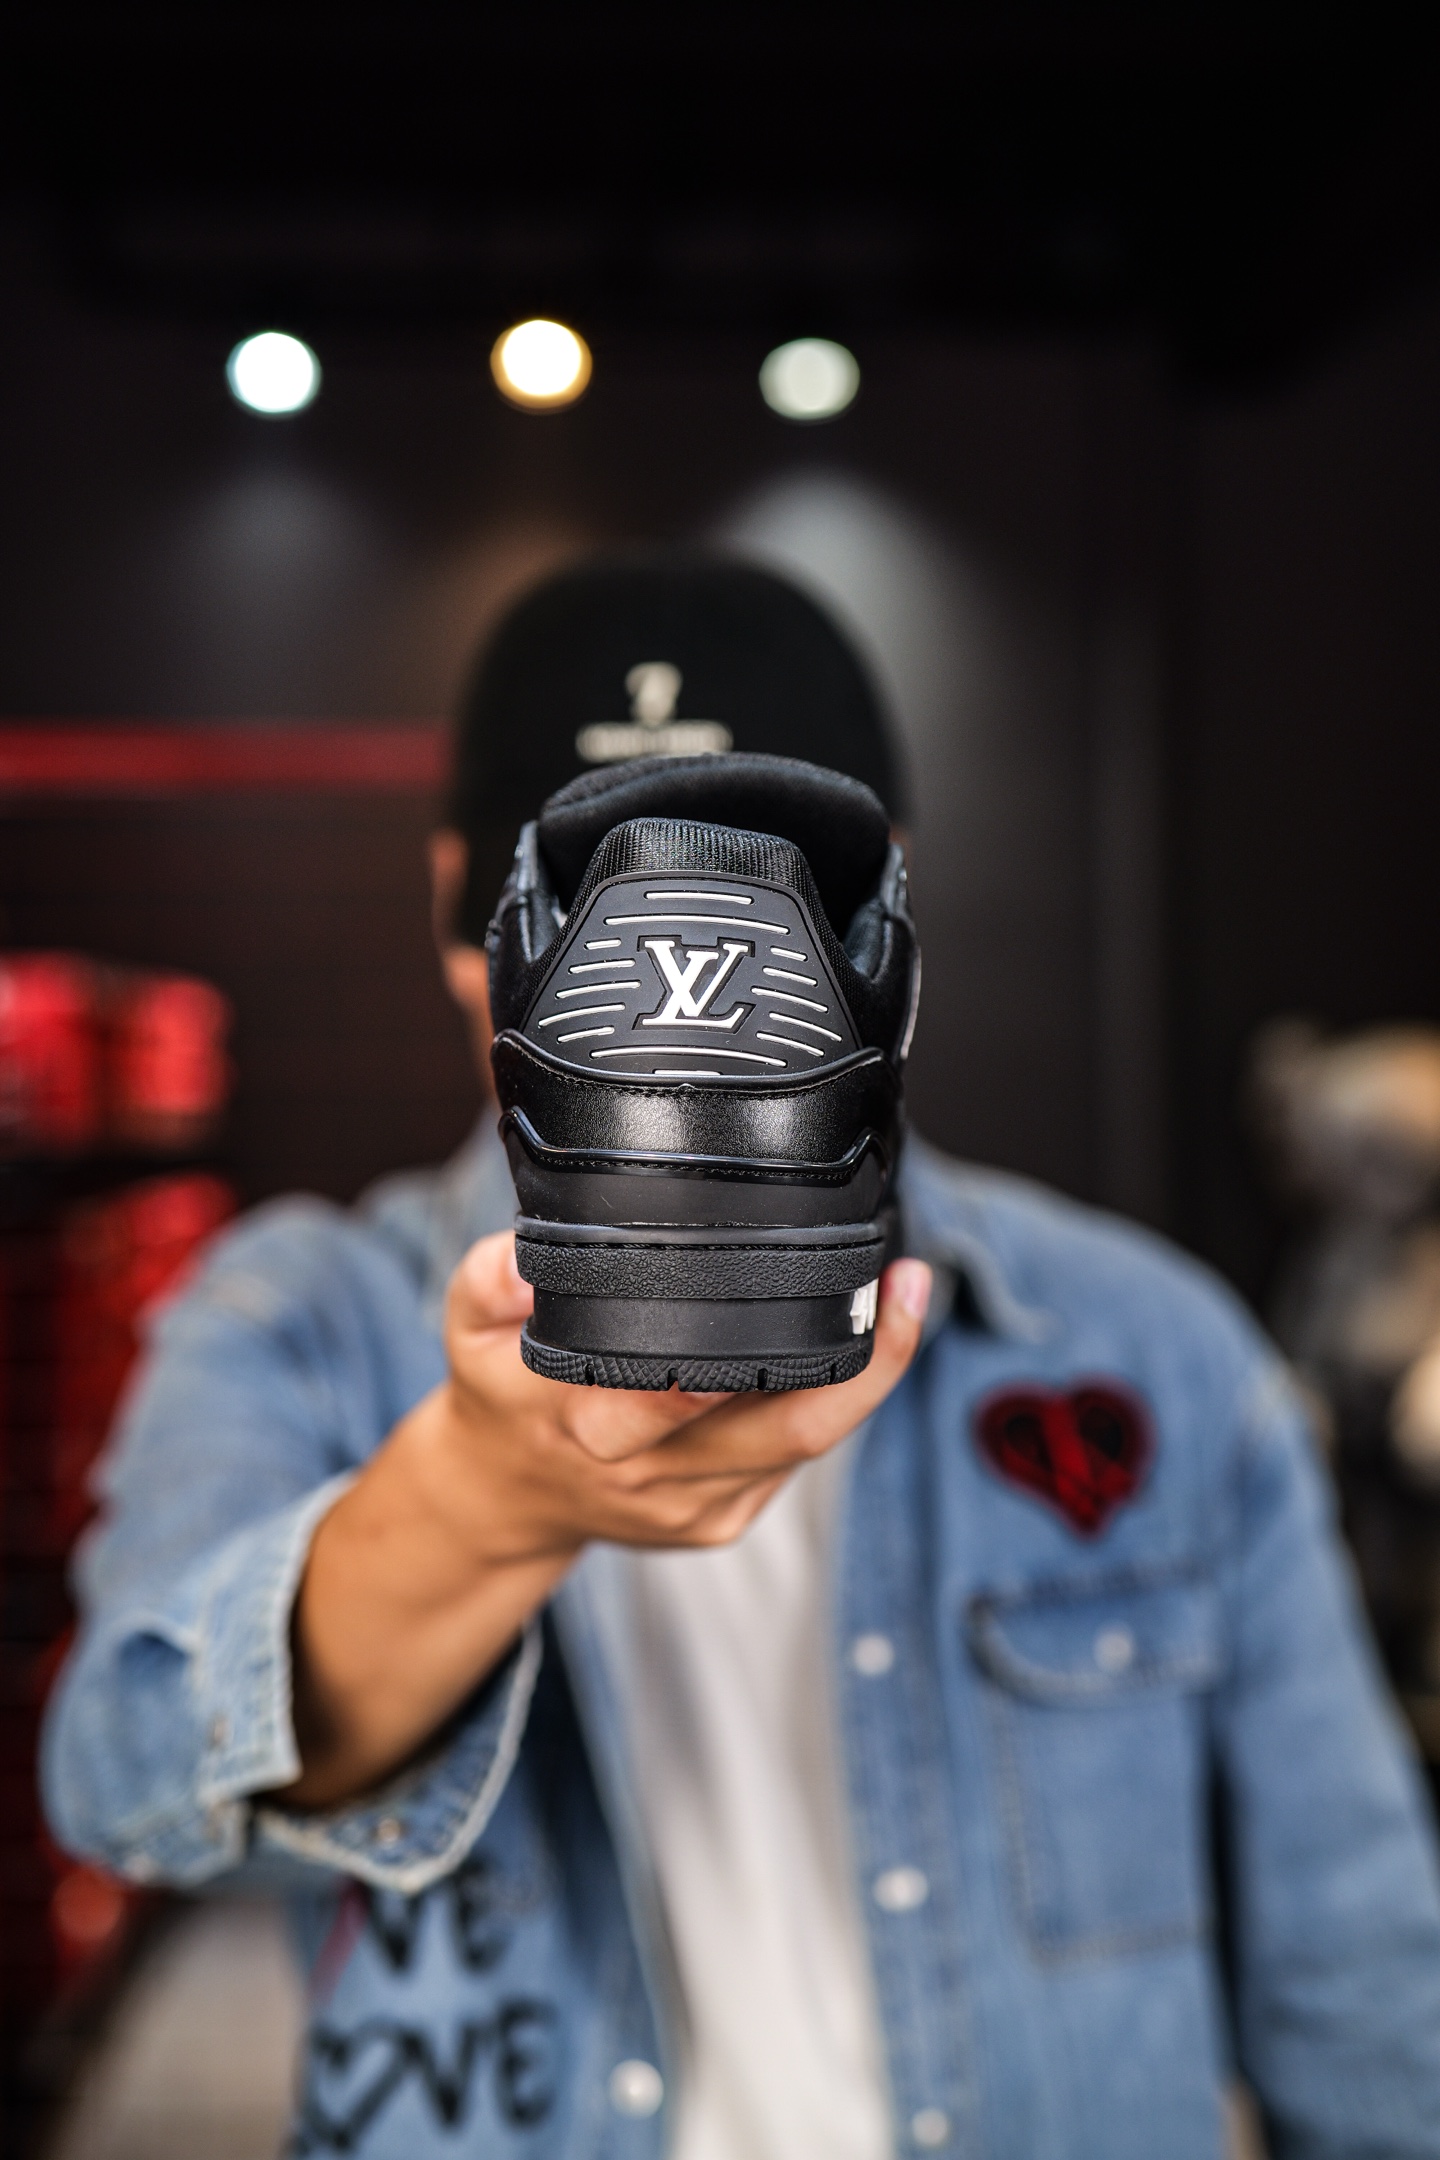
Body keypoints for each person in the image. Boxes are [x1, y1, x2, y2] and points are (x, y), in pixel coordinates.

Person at [42, 555, 1440, 2160]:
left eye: (753, 916)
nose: (681, 1011)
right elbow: (131, 1776)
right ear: (461, 913)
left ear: (885, 925)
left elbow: (1364, 1978)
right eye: (608, 922)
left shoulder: (1154, 1350)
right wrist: (477, 1502)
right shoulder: (294, 1315)